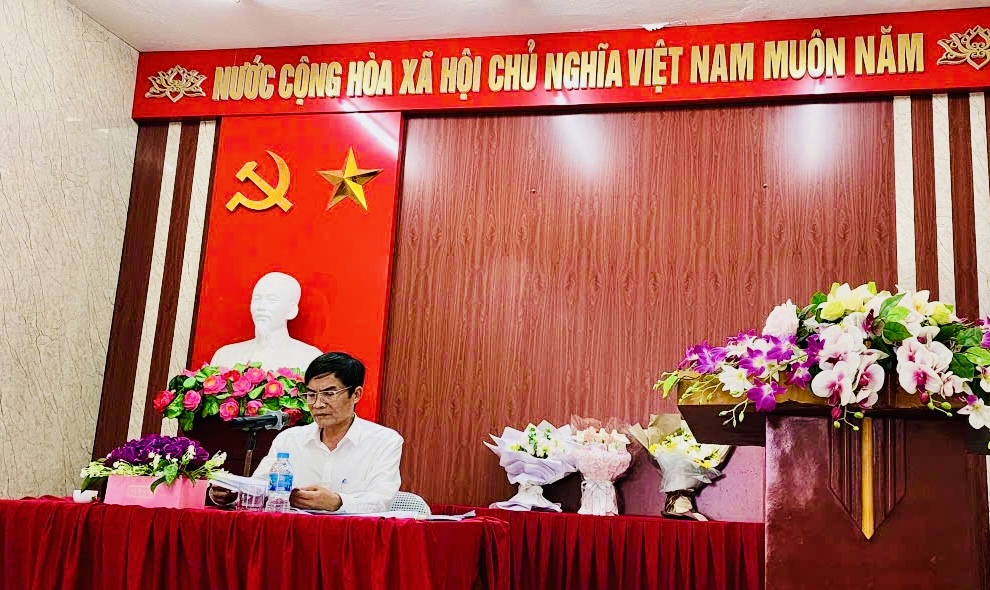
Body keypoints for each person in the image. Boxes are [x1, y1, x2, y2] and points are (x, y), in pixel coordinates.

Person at [211, 352, 404, 512]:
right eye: (311, 395)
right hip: (291, 537)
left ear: (356, 394)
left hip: (351, 539)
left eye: (329, 394)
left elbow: (381, 501)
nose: (318, 404)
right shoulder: (288, 439)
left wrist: (337, 502)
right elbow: (259, 489)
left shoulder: (384, 441)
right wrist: (231, 494)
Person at [210, 272, 322, 371]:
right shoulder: (224, 356)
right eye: (256, 299)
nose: (261, 306)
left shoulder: (310, 358)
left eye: (272, 300)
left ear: (291, 310)